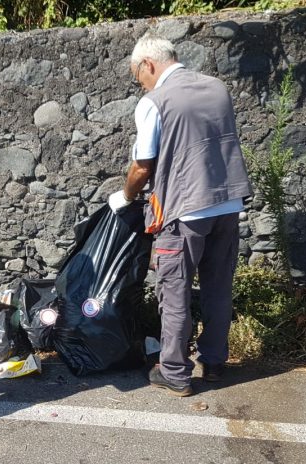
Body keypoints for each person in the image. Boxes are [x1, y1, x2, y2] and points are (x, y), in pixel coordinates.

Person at [109, 35, 253, 397]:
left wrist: (125, 196)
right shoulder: (217, 88)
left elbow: (143, 166)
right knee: (218, 288)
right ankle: (215, 362)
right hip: (227, 204)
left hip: (184, 210)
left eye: (137, 75)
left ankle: (174, 371)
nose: (140, 82)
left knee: (174, 290)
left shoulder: (154, 101)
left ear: (149, 65)